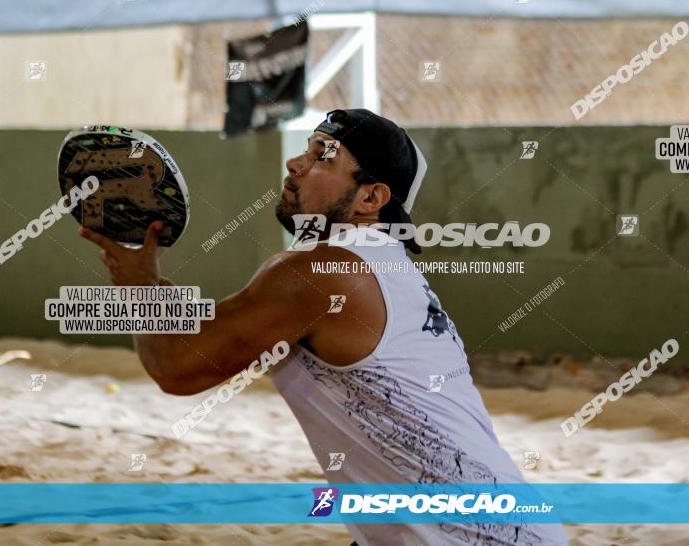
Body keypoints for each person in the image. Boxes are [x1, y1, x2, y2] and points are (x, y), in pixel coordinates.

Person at [80, 108, 567, 545]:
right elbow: (205, 339)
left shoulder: (321, 273)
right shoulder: (380, 263)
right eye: (307, 149)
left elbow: (177, 367)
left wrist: (139, 282)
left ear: (371, 197)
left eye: (323, 157)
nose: (295, 164)